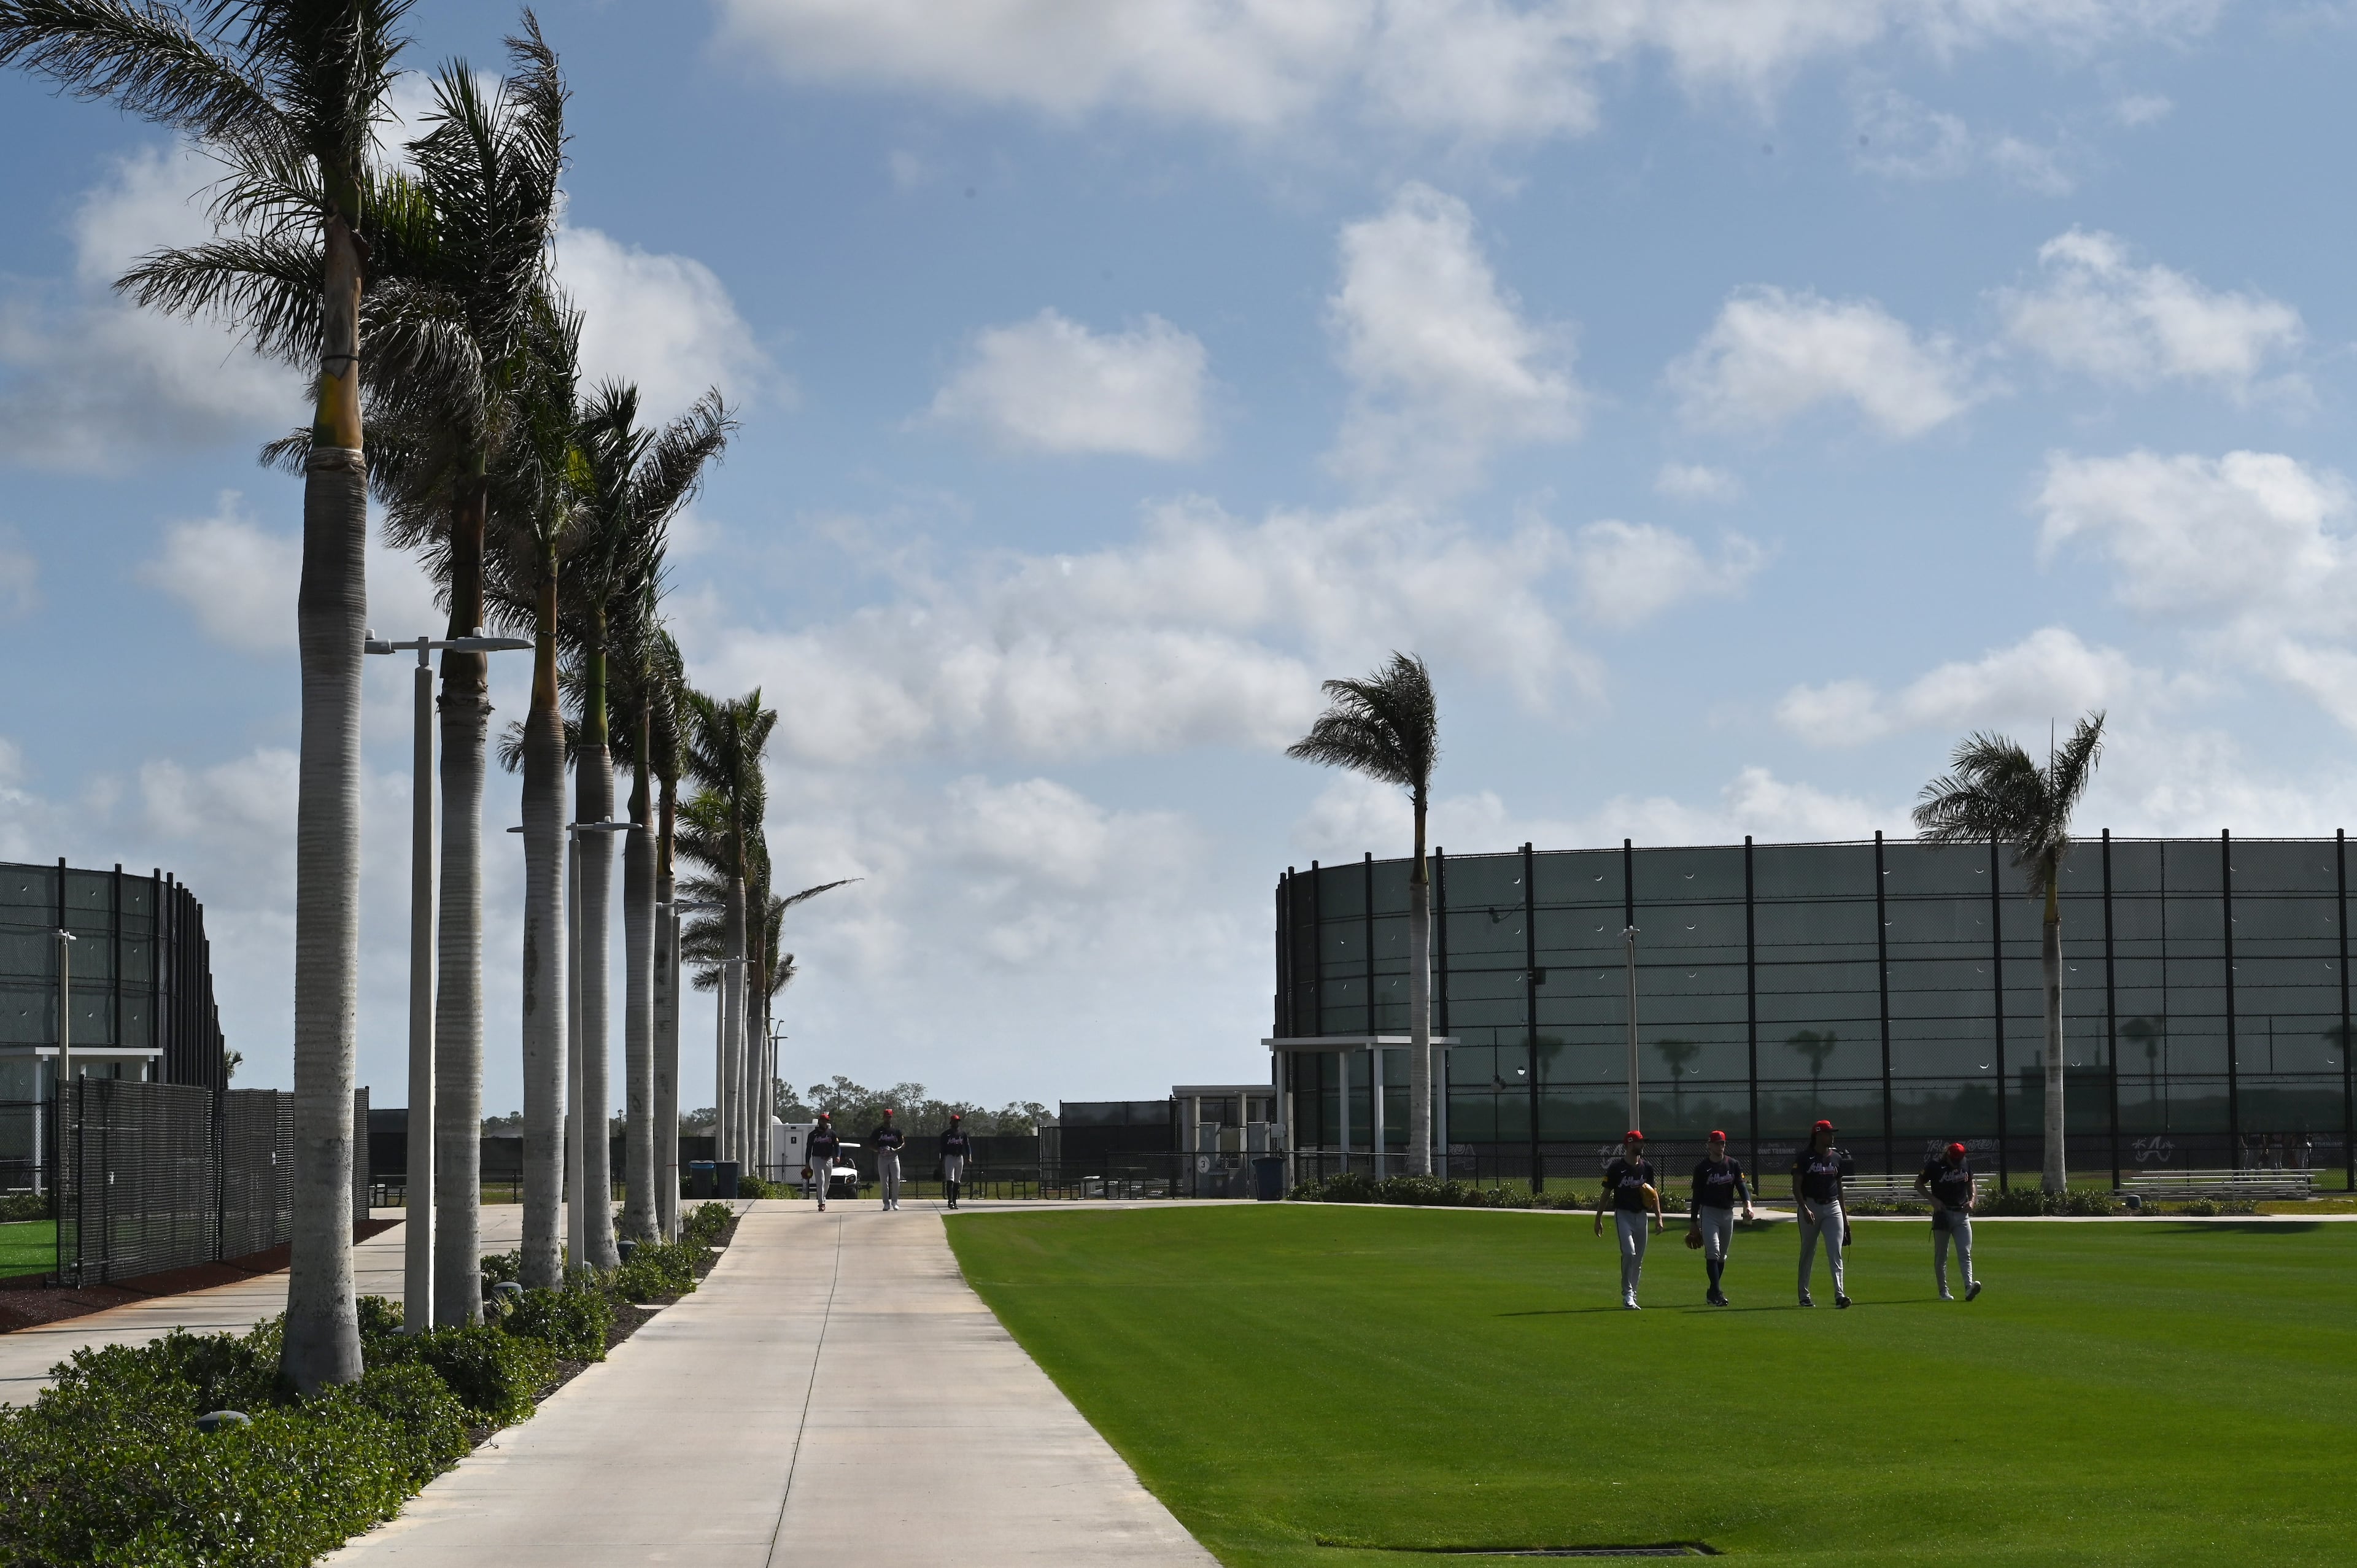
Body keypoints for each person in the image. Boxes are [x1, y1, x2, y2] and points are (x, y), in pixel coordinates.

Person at [1594, 1131, 1664, 1310]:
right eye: (1639, 1142)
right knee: (1629, 1253)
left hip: (1642, 1216)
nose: (1642, 1145)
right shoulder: (1616, 1168)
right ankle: (1627, 1293)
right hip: (1623, 1215)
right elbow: (1606, 1194)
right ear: (1629, 1144)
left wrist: (1658, 1217)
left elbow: (1654, 1194)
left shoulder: (1647, 1167)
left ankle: (1632, 1295)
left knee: (1638, 1260)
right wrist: (1598, 1218)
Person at [1791, 1119, 1854, 1308]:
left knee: (1835, 1251)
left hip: (1833, 1207)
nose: (1832, 1136)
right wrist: (1804, 1208)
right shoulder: (1804, 1158)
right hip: (1810, 1205)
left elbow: (1839, 1187)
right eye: (1828, 1133)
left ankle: (1840, 1294)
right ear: (1818, 1135)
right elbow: (1796, 1187)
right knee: (1808, 1252)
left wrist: (1845, 1217)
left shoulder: (1836, 1157)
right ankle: (1804, 1295)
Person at [1688, 1130, 1755, 1306]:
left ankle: (1712, 1291)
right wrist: (1693, 1222)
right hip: (1709, 1212)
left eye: (1723, 1143)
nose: (1721, 1146)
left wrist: (1747, 1204)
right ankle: (1717, 1293)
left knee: (1722, 1256)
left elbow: (1741, 1186)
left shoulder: (1733, 1164)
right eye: (1717, 1143)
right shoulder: (1702, 1168)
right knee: (1713, 1252)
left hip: (1727, 1213)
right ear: (1709, 1145)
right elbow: (1697, 1197)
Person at [1914, 1141, 1982, 1302]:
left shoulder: (1964, 1163)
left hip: (1962, 1215)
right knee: (1941, 1256)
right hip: (1943, 1214)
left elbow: (1971, 1182)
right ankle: (1943, 1291)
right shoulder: (1934, 1166)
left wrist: (1972, 1200)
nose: (1957, 1164)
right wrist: (1933, 1200)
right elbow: (1918, 1184)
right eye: (1954, 1161)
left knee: (1965, 1253)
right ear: (1948, 1156)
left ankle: (1968, 1287)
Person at [872, 1108, 906, 1211]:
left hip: (893, 1157)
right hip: (882, 1158)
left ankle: (895, 1202)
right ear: (883, 1117)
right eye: (886, 1116)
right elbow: (870, 1144)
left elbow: (903, 1143)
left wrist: (896, 1149)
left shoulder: (896, 1131)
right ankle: (886, 1203)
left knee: (896, 1179)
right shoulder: (878, 1131)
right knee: (884, 1181)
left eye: (890, 1116)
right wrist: (879, 1150)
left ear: (892, 1117)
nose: (888, 1118)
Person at [807, 1112, 842, 1212]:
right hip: (817, 1159)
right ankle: (821, 1203)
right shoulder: (813, 1135)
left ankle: (823, 1197)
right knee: (820, 1181)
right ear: (819, 1122)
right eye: (822, 1120)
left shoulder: (832, 1134)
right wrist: (807, 1162)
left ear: (827, 1122)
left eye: (825, 1121)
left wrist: (838, 1156)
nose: (824, 1122)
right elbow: (809, 1149)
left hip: (829, 1159)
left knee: (827, 1181)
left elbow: (837, 1147)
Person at [940, 1113, 972, 1210]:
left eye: (958, 1121)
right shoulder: (946, 1134)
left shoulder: (963, 1134)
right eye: (955, 1121)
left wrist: (969, 1157)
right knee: (950, 1180)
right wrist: (941, 1160)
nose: (956, 1123)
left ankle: (955, 1201)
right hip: (949, 1158)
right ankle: (950, 1201)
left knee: (957, 1181)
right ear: (951, 1122)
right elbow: (942, 1149)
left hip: (959, 1158)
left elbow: (967, 1146)